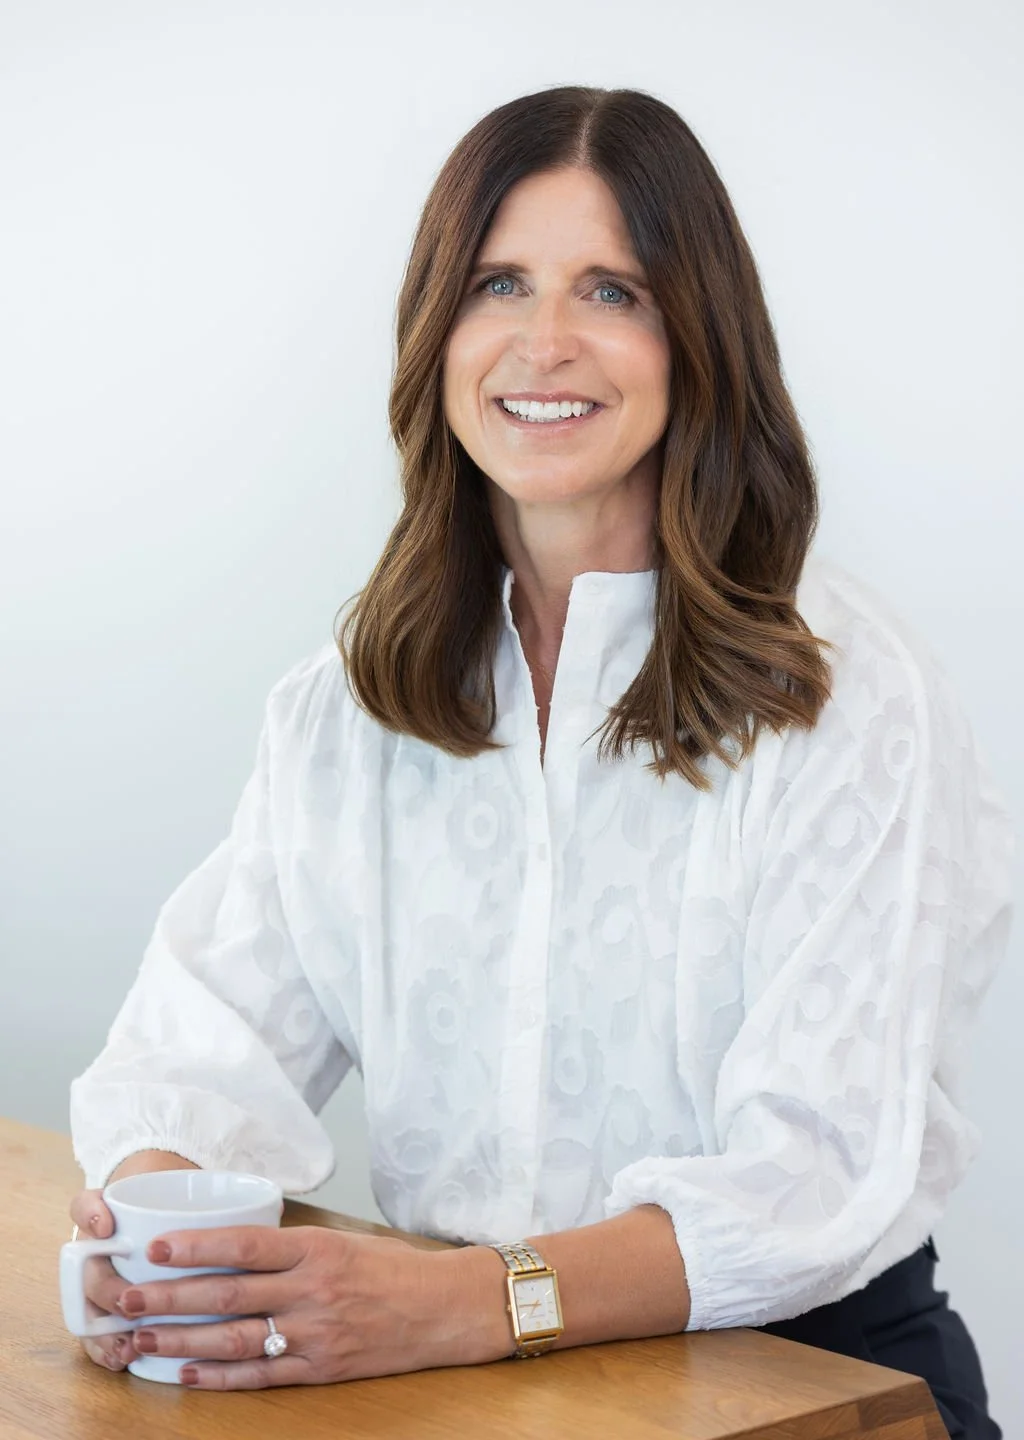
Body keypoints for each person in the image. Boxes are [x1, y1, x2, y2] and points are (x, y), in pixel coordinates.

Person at [67, 85, 1012, 1435]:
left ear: (699, 338)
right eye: (498, 283)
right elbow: (197, 1049)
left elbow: (814, 1174)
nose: (545, 341)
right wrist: (164, 1248)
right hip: (468, 1388)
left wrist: (456, 1305)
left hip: (806, 1386)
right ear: (436, 330)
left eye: (612, 291)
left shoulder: (846, 694)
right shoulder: (351, 702)